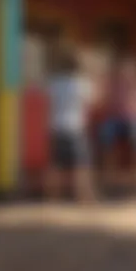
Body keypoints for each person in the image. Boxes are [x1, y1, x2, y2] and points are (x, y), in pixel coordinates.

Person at [45, 50, 95, 203]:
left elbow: (47, 100)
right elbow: (92, 101)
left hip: (56, 126)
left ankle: (52, 197)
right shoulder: (81, 84)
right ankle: (83, 196)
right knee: (82, 165)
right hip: (75, 127)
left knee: (55, 164)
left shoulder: (54, 83)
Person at [100, 55, 136, 191]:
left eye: (129, 71)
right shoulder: (113, 85)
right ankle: (110, 174)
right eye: (124, 71)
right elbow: (106, 102)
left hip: (132, 120)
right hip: (115, 119)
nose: (126, 73)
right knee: (106, 133)